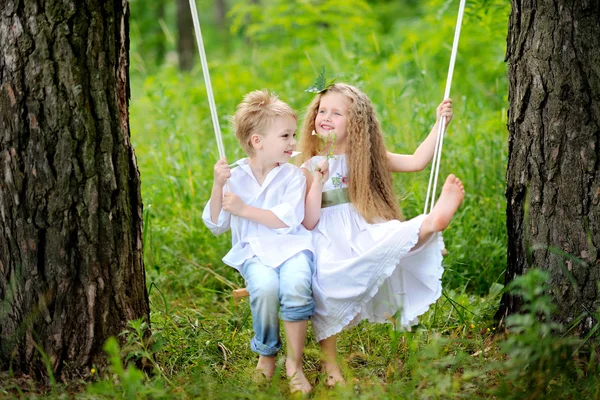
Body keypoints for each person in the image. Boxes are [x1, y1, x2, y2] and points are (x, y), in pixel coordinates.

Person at [298, 83, 465, 386]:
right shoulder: (309, 162)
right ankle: (330, 365)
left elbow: (416, 162)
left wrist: (439, 124)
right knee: (325, 280)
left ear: (357, 124)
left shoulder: (368, 156)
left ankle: (429, 224)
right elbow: (299, 210)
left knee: (391, 239)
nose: (326, 117)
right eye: (323, 110)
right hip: (326, 235)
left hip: (363, 226)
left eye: (337, 113)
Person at [202, 90, 315, 393]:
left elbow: (287, 220)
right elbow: (215, 223)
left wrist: (245, 210)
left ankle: (295, 363)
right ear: (257, 141)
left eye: (293, 135)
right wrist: (218, 185)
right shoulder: (234, 176)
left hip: (294, 248)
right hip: (255, 252)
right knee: (264, 289)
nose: (294, 143)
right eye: (286, 136)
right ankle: (266, 354)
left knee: (296, 288)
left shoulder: (293, 176)